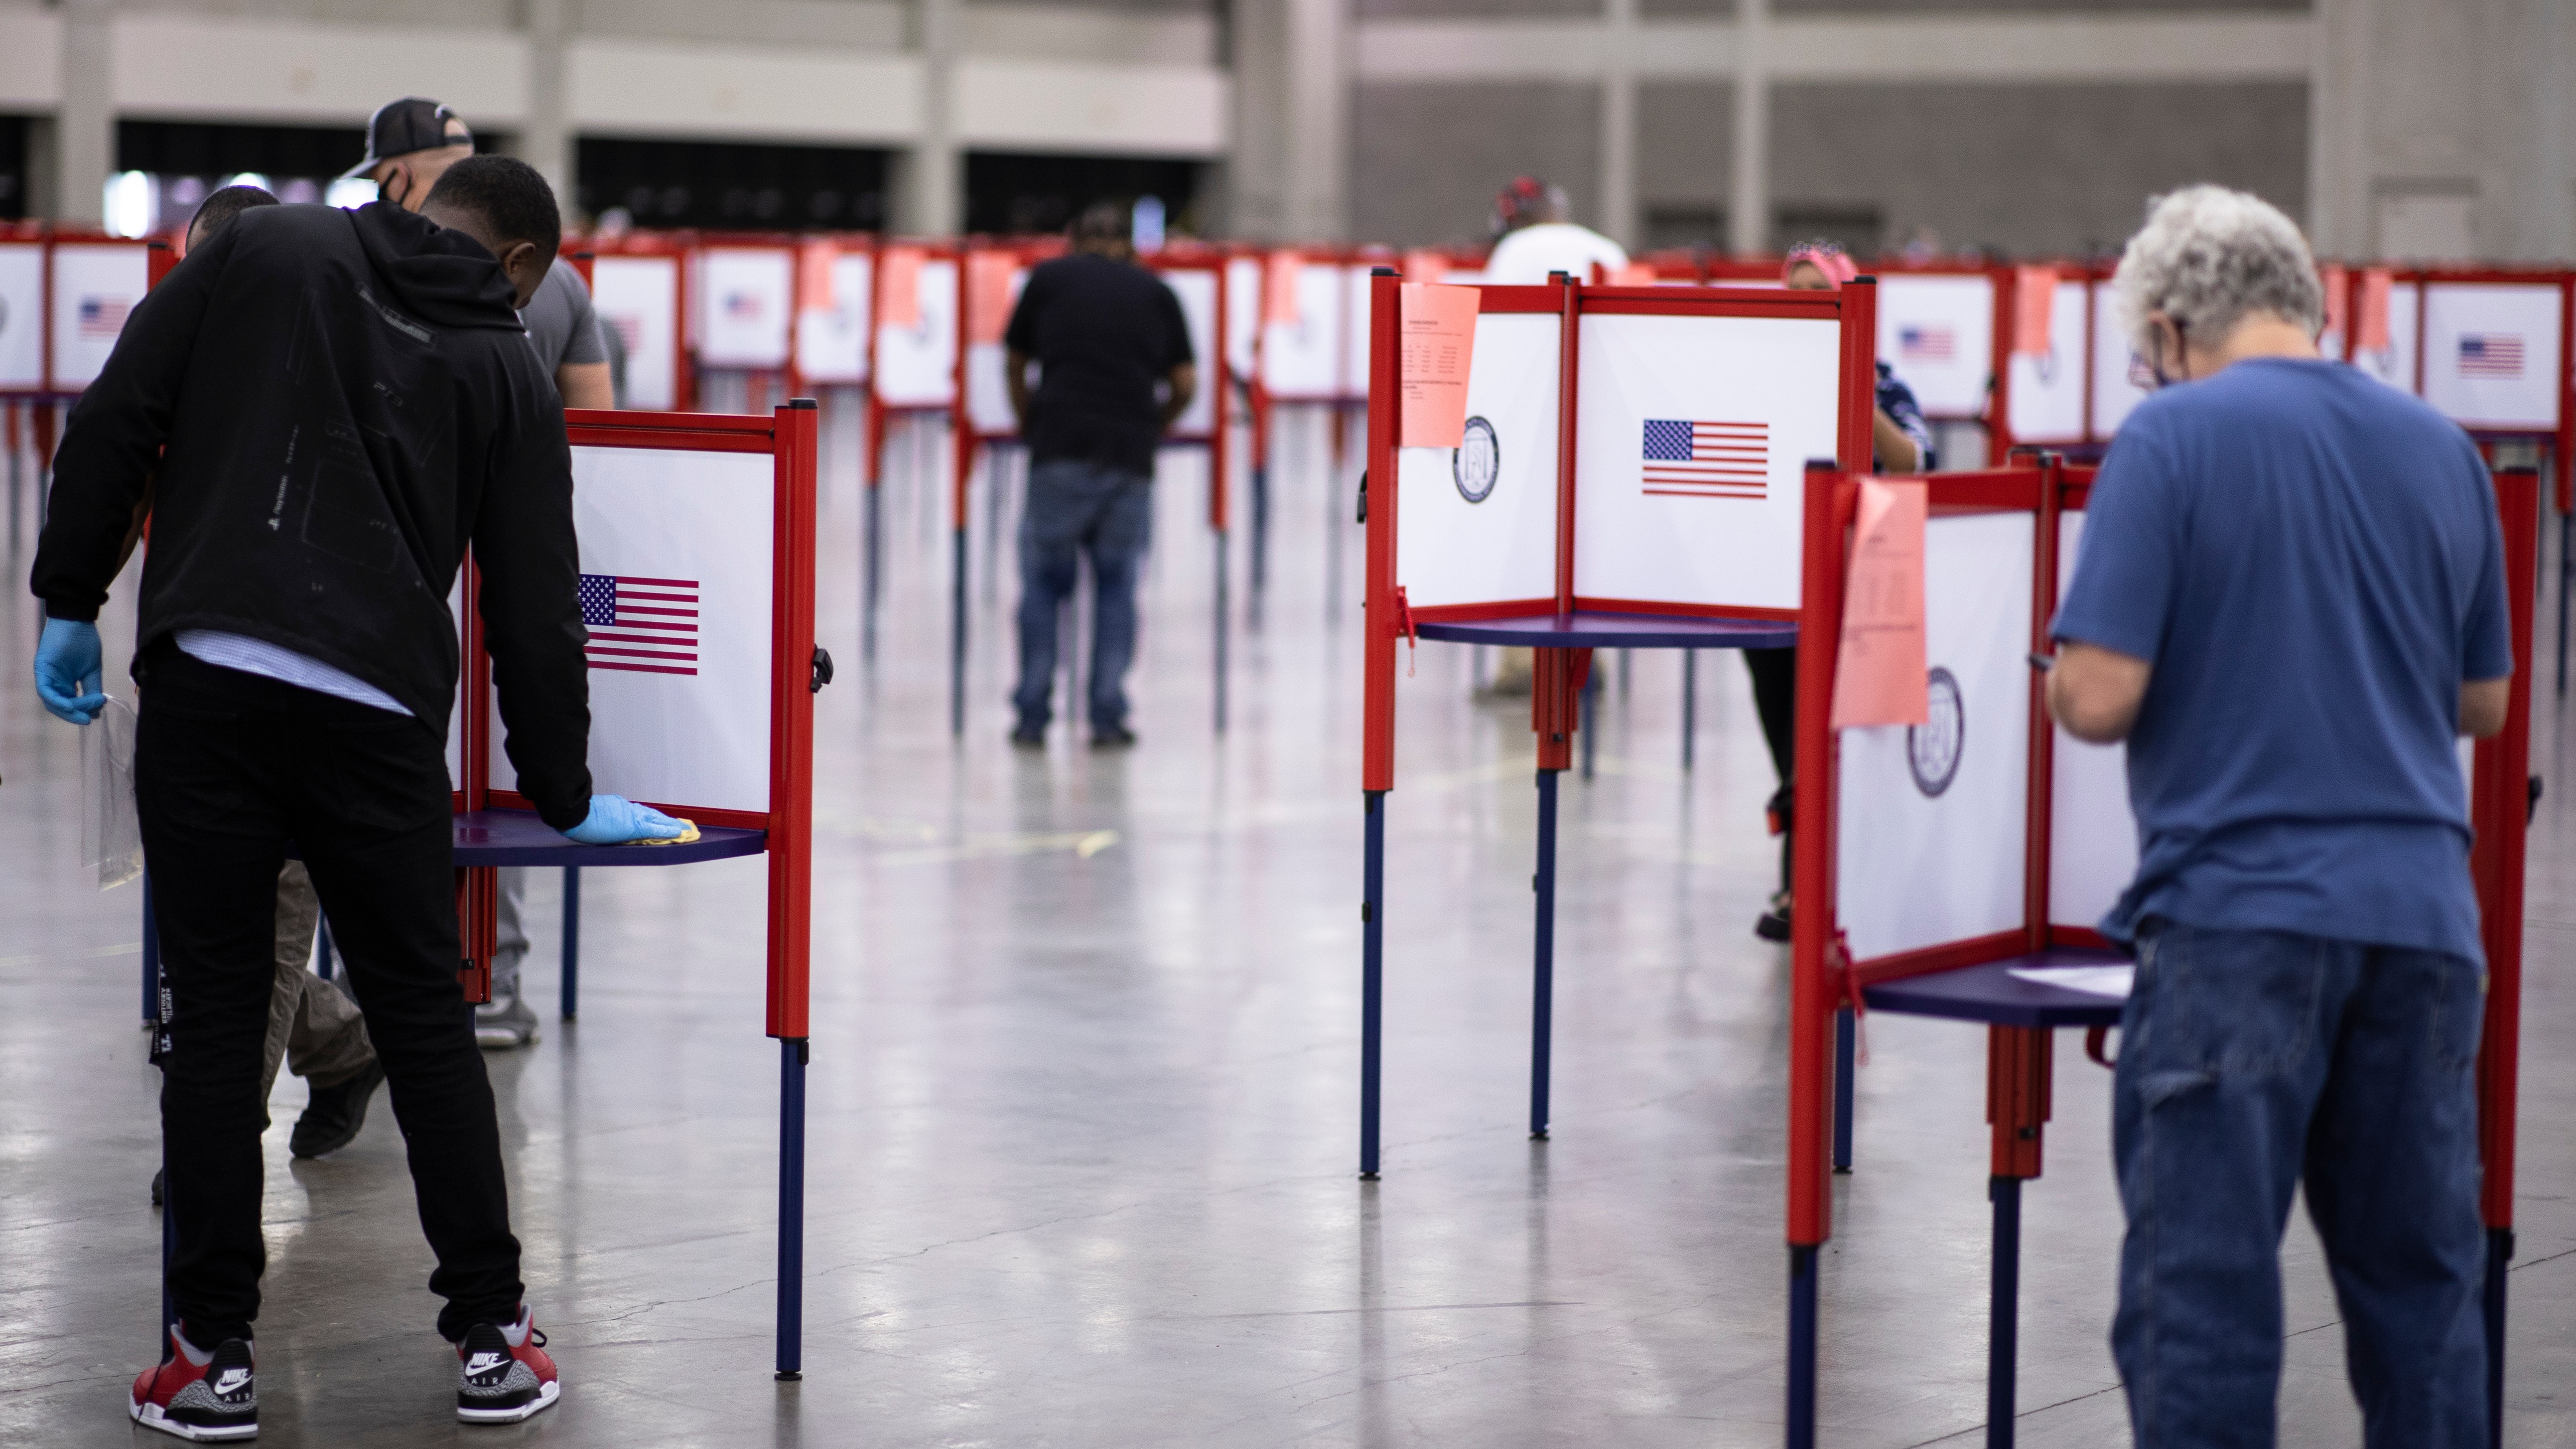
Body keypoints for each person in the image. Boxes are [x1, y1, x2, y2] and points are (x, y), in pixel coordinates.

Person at [31, 155, 686, 1438]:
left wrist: (68, 602)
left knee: (215, 1026)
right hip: (376, 719)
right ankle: (493, 1339)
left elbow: (119, 416)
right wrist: (560, 788)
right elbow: (536, 598)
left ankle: (208, 1360)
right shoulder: (503, 362)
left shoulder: (263, 248)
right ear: (520, 268)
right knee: (425, 1017)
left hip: (206, 685)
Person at [2049, 185, 2508, 1446]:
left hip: (2235, 924)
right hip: (2421, 925)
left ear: (2164, 328)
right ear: (2302, 301)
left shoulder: (2171, 440)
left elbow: (2096, 694)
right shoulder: (2440, 449)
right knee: (2421, 1299)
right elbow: (2480, 700)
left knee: (2200, 1303)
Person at [348, 95, 614, 1046]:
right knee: (487, 787)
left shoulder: (361, 269)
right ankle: (492, 981)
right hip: (516, 541)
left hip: (389, 561)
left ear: (403, 175)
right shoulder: (561, 281)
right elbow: (595, 428)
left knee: (392, 775)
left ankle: (374, 987)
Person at [1744, 241, 1933, 940]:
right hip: (1768, 596)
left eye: (1816, 294)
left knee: (1822, 744)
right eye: (1790, 294)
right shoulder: (1761, 376)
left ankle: (1808, 891)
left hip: (1850, 588)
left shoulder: (1881, 382)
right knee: (1789, 746)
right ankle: (1804, 884)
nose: (1803, 308)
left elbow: (1913, 460)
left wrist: (1844, 379)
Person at [1002, 201, 1196, 748]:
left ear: (1073, 238)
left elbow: (1015, 362)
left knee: (1043, 587)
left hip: (1057, 451)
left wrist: (1028, 421)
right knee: (1116, 589)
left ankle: (1032, 714)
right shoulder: (1156, 293)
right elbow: (1184, 384)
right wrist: (1152, 425)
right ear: (1130, 245)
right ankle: (1106, 717)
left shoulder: (1047, 279)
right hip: (1128, 459)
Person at [1474, 177, 1631, 698]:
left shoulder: (1512, 252)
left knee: (1524, 543)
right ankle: (1588, 665)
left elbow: (1488, 336)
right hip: (1602, 423)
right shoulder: (1606, 249)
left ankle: (1523, 666)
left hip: (1528, 421)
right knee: (1590, 542)